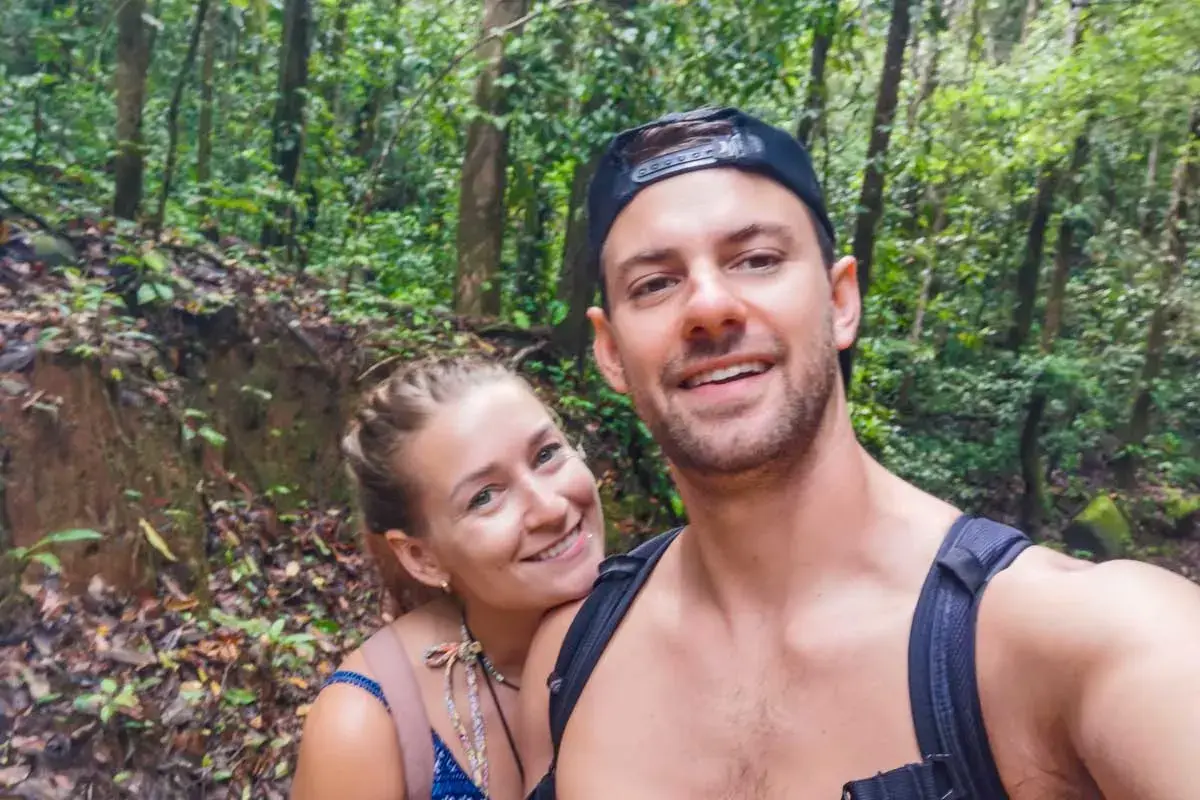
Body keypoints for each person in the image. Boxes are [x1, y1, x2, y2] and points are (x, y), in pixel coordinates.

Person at [517, 106, 1200, 799]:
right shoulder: (570, 657)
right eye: (655, 283)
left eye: (757, 260)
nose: (709, 305)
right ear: (609, 351)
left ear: (842, 301)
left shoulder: (1082, 643)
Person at [291, 357, 605, 800]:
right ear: (422, 557)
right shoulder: (366, 725)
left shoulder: (670, 620)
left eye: (547, 454)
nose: (551, 508)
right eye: (485, 497)